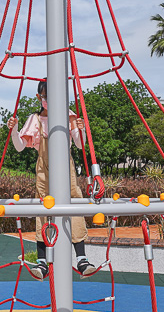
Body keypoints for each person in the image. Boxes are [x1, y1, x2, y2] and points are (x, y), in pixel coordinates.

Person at [8, 80, 97, 279]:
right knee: (43, 207)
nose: (50, 100)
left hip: (66, 165)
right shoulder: (35, 118)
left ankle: (81, 258)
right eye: (46, 96)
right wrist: (13, 131)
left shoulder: (69, 115)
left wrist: (80, 130)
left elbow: (80, 145)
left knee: (73, 202)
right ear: (40, 97)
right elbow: (20, 146)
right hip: (44, 167)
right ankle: (42, 262)